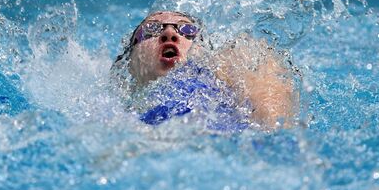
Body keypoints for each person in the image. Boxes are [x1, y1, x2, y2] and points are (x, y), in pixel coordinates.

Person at [114, 11, 298, 131]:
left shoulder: (225, 82)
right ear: (128, 64)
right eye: (151, 29)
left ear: (203, 49)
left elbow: (276, 130)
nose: (169, 34)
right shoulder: (115, 116)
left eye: (187, 30)